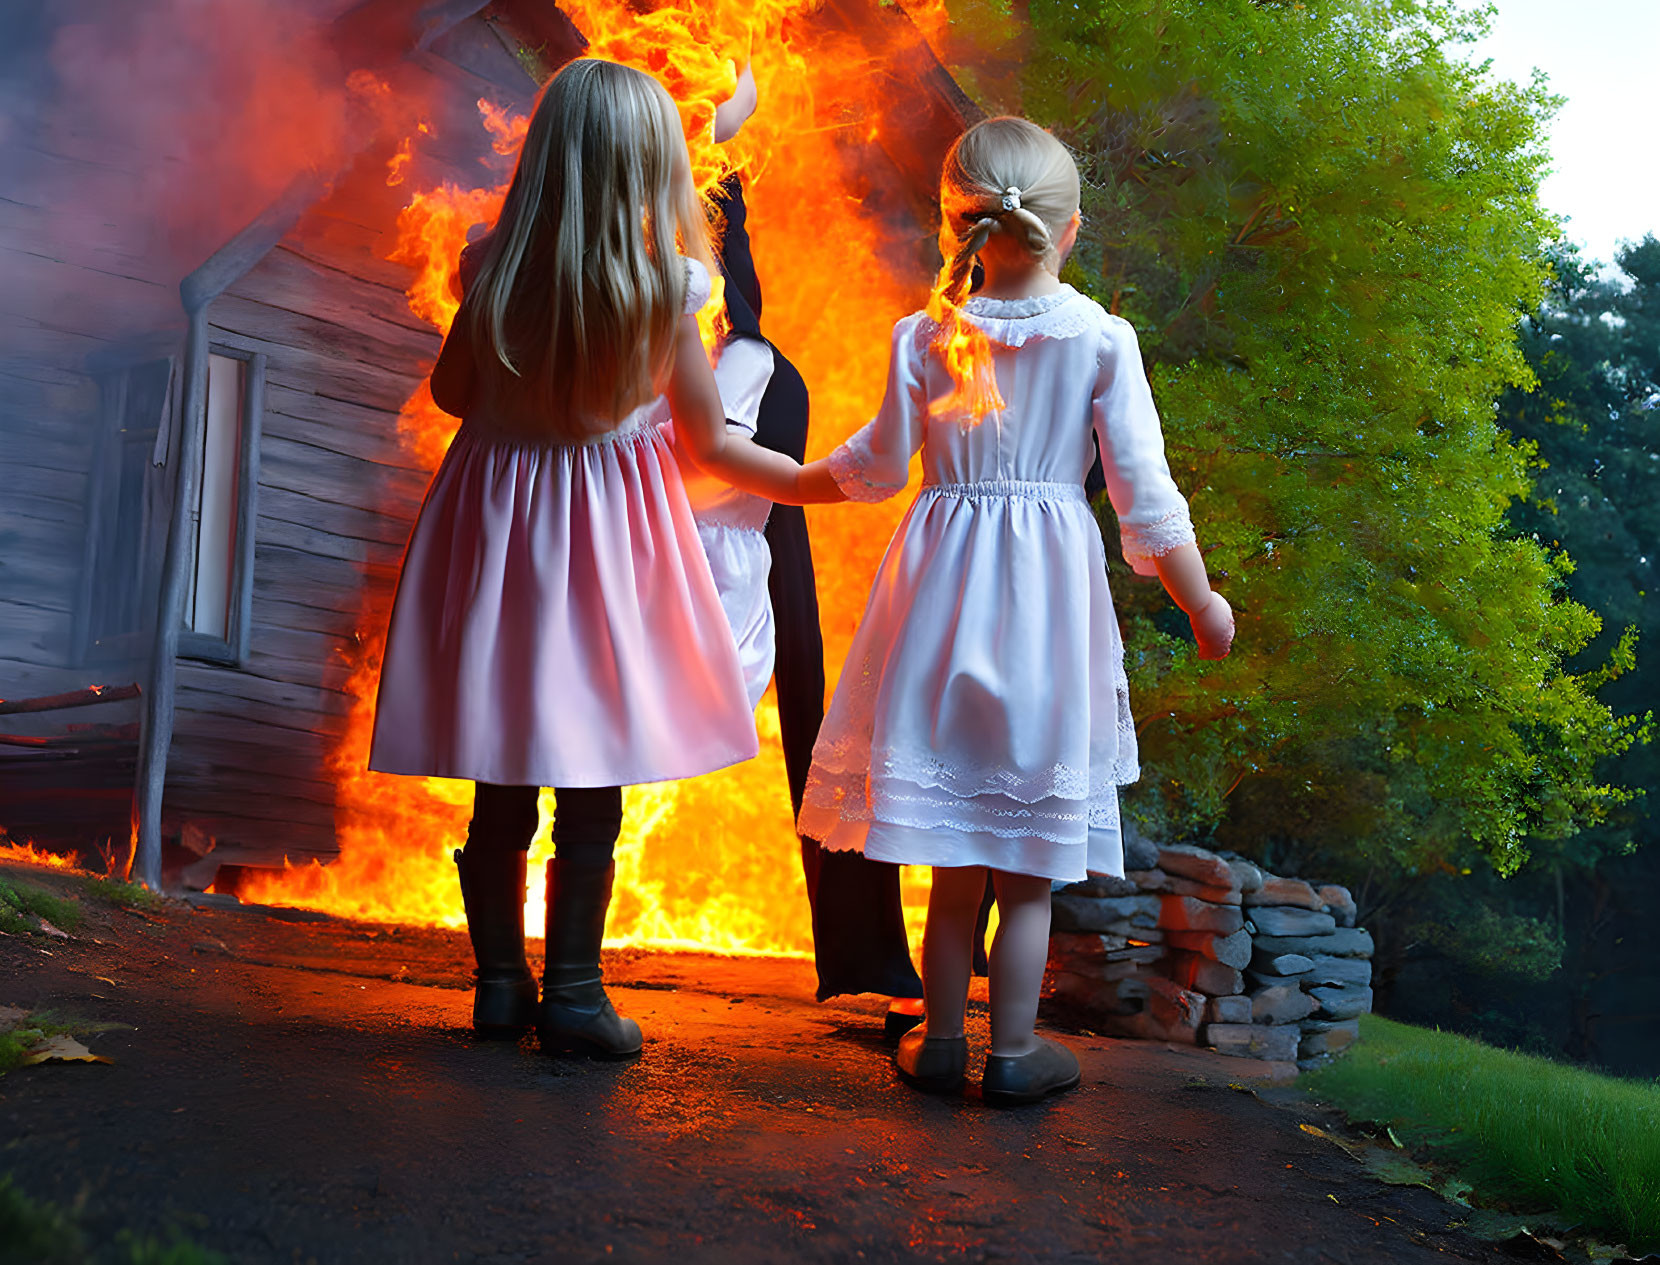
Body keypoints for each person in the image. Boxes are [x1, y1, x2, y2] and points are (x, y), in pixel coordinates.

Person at [367, 58, 812, 1059]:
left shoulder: (488, 267)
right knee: (591, 761)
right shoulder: (667, 291)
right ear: (652, 173)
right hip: (601, 543)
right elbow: (707, 443)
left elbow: (449, 393)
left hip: (494, 531)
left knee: (505, 760)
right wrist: (813, 476)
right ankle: (571, 992)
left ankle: (496, 984)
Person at [796, 116, 1235, 1105]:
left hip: (940, 597)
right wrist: (1201, 604)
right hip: (1046, 607)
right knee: (1024, 863)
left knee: (956, 855)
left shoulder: (925, 334)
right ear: (1068, 230)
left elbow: (869, 470)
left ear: (955, 225)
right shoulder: (1098, 339)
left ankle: (942, 1041)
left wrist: (779, 478)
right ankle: (1014, 1052)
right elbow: (1146, 501)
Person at [682, 157, 926, 1021]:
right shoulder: (691, 335)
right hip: (669, 537)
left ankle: (876, 950)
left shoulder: (745, 356)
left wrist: (823, 482)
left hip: (719, 549)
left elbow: (717, 460)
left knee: (819, 725)